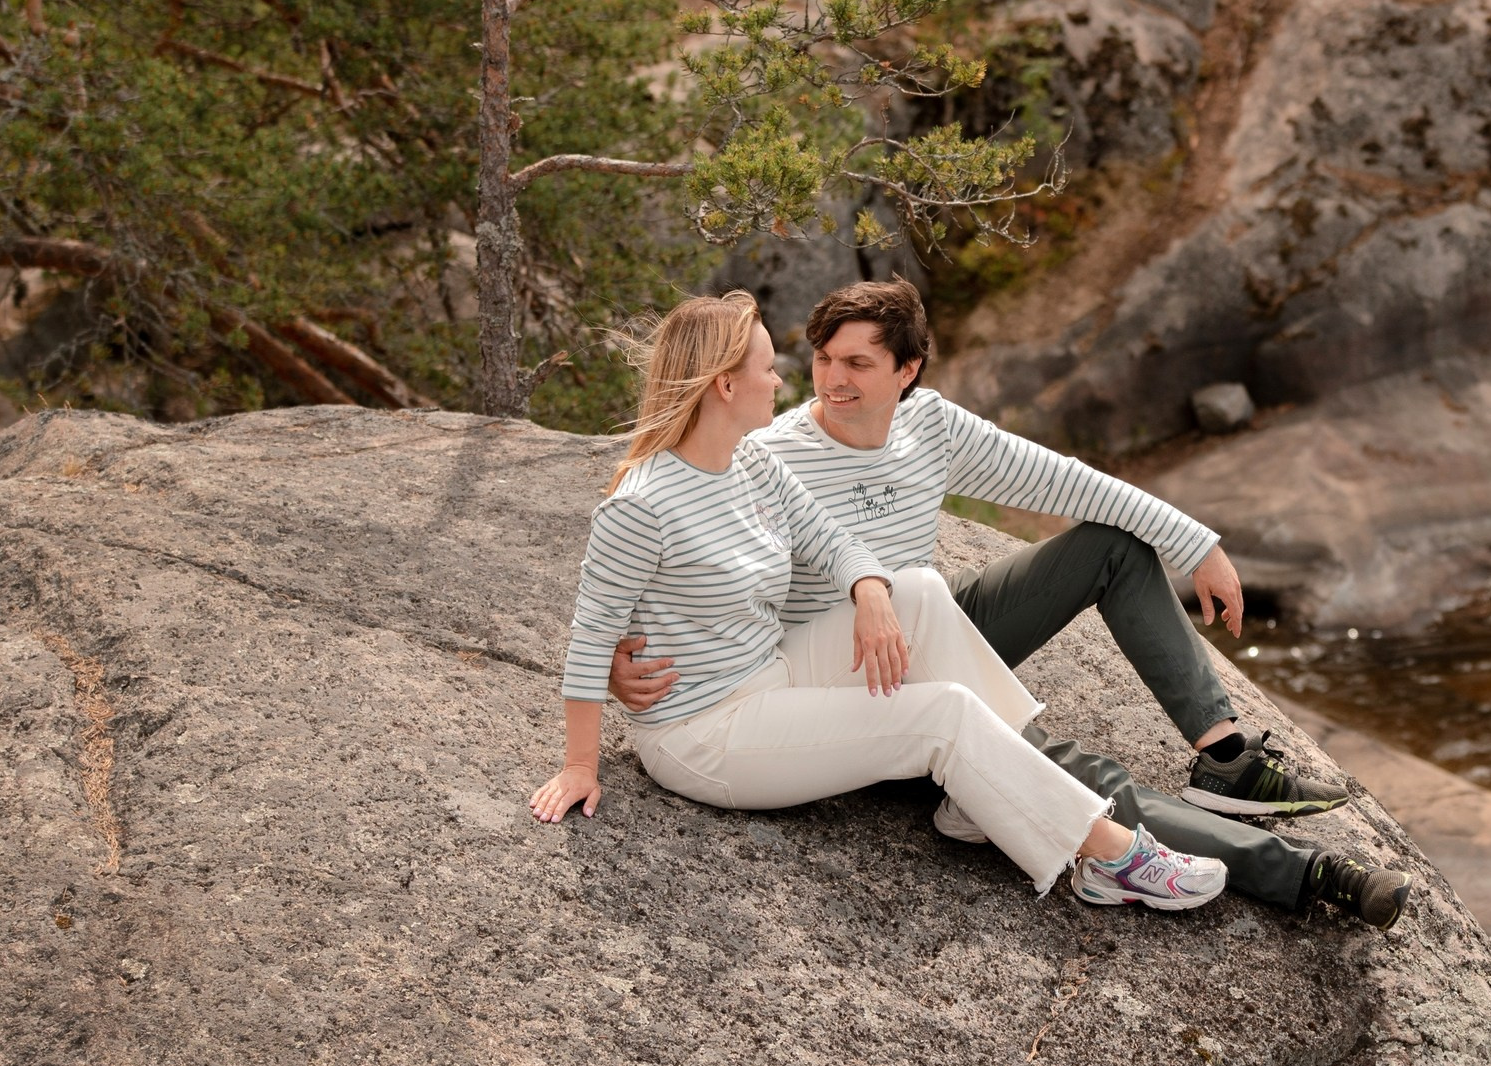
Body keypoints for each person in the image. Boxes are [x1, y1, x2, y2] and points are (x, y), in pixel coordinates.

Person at [608, 278, 1411, 929]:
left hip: (919, 622)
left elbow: (1065, 480)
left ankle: (1226, 758)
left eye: (857, 363)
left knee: (1111, 545)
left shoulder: (931, 428)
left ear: (908, 372)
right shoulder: (769, 455)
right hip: (845, 683)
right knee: (1069, 769)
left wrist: (1193, 541)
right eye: (821, 359)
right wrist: (620, 659)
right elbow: (668, 547)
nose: (829, 380)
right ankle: (1310, 876)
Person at [529, 290, 1229, 914]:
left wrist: (869, 591)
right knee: (944, 714)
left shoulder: (750, 462)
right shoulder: (643, 504)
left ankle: (977, 797)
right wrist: (582, 764)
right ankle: (1107, 855)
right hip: (705, 734)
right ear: (723, 385)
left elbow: (834, 540)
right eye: (769, 367)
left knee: (916, 590)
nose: (785, 380)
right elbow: (591, 636)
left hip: (770, 673)